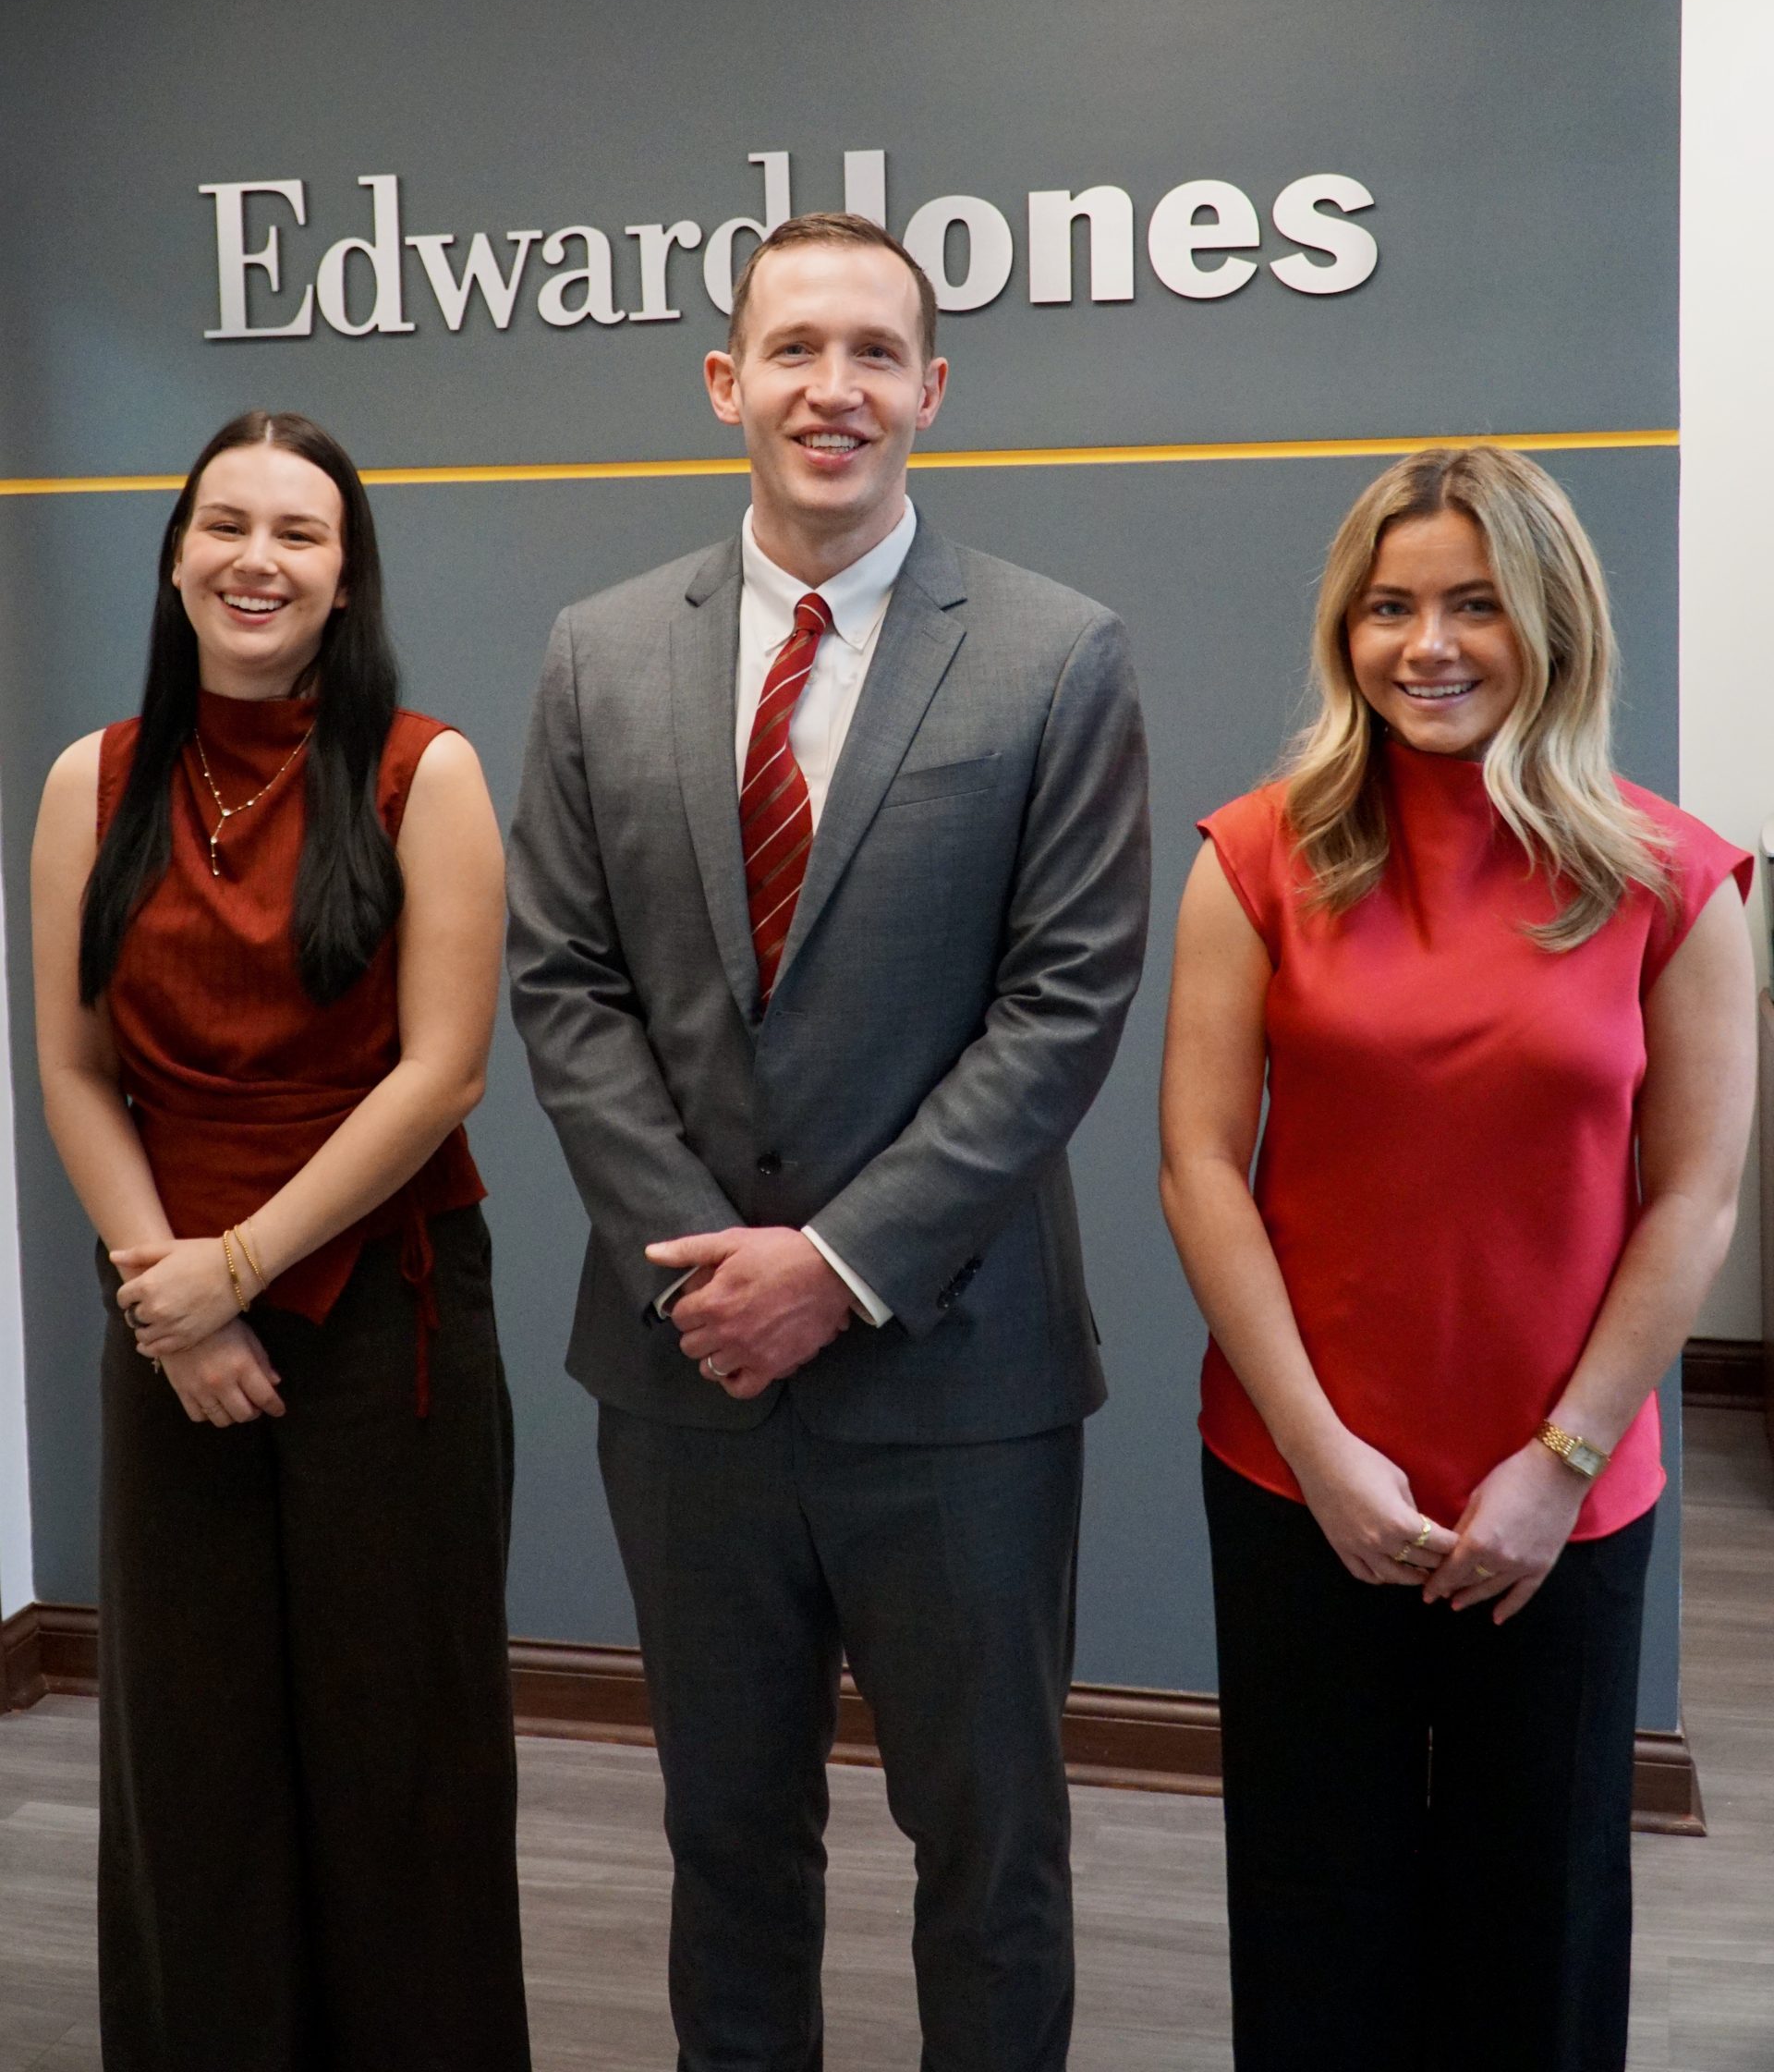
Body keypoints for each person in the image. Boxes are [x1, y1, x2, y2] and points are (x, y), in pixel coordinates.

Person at [507, 210, 1150, 2072]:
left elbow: (1065, 1002)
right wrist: (715, 1273)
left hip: (957, 1379)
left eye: (876, 352)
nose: (834, 387)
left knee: (993, 1850)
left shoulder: (1056, 656)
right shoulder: (598, 655)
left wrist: (841, 1268)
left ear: (932, 393)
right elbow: (563, 984)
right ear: (726, 385)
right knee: (726, 1841)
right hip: (684, 1367)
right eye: (795, 348)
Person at [1158, 445, 1755, 2072]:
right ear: (1347, 631)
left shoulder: (1671, 877)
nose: (1429, 644)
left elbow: (1694, 1194)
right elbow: (1201, 1168)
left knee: (1539, 1922)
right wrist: (1322, 1453)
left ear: (1550, 625)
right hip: (1303, 1483)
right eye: (1391, 605)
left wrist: (1558, 1467)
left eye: (1476, 605)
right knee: (1315, 1908)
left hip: (1562, 1496)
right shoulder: (1255, 856)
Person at [31, 409, 530, 2072]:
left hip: (385, 1327)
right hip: (161, 1311)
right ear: (177, 556)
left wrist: (235, 1272)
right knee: (190, 1757)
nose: (259, 559)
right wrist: (169, 1301)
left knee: (403, 1756)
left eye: (299, 535)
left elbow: (441, 1071)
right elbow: (74, 1068)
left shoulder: (427, 773)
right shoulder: (87, 782)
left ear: (344, 575)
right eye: (226, 526)